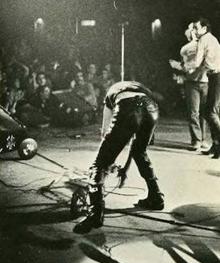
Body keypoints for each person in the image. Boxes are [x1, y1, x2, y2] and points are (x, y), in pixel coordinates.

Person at [73, 81, 164, 234]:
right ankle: (156, 197)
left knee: (98, 165)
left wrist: (108, 161)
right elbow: (136, 149)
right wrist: (125, 170)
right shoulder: (141, 88)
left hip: (127, 107)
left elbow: (105, 131)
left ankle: (95, 214)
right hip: (151, 109)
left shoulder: (111, 93)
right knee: (140, 152)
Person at [169, 23, 209, 150]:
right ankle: (197, 140)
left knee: (202, 113)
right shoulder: (185, 49)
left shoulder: (205, 44)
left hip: (205, 82)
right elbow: (185, 66)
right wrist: (179, 67)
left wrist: (180, 67)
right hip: (192, 83)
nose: (193, 32)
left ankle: (202, 139)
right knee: (194, 113)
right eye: (192, 30)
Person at [192, 18, 220, 158]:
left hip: (217, 76)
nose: (195, 31)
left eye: (196, 28)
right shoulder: (212, 39)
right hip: (215, 76)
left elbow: (197, 62)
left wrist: (182, 67)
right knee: (211, 111)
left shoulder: (203, 40)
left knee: (210, 112)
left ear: (204, 28)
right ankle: (216, 147)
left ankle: (218, 145)